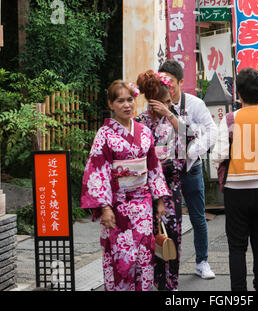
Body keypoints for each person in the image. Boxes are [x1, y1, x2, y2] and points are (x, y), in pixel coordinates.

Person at [80, 80, 170, 291]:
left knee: (145, 258)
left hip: (143, 206)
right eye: (120, 101)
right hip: (117, 207)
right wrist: (104, 207)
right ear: (111, 104)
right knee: (121, 260)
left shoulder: (144, 131)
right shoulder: (104, 135)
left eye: (130, 99)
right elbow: (97, 170)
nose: (126, 105)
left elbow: (154, 166)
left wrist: (159, 200)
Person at [212, 68, 258, 291]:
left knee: (236, 246)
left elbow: (219, 154)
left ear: (238, 94)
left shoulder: (231, 119)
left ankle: (239, 292)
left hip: (236, 188)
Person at [158, 60, 217, 279]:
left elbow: (211, 131)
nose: (167, 86)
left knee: (198, 217)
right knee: (165, 219)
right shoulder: (154, 105)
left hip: (190, 168)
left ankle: (202, 261)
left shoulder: (194, 104)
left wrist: (195, 150)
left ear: (181, 82)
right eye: (162, 81)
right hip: (163, 172)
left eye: (170, 82)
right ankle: (165, 266)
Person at [135, 70, 188, 291]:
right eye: (165, 102)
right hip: (144, 192)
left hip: (169, 188)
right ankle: (151, 283)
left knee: (171, 238)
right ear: (153, 101)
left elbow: (186, 147)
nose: (168, 105)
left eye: (170, 102)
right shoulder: (138, 123)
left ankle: (170, 285)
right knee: (148, 240)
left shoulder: (174, 121)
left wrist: (170, 115)